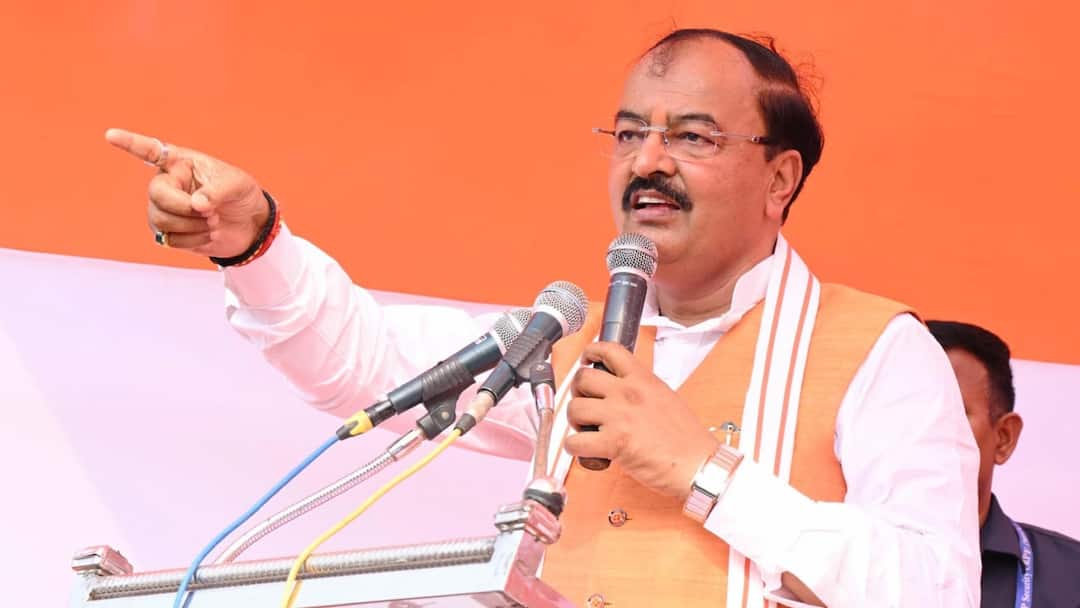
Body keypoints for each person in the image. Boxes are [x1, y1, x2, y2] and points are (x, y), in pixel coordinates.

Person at [105, 29, 980, 607]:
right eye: (629, 133)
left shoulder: (880, 351)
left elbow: (934, 588)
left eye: (692, 137)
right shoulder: (564, 341)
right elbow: (362, 365)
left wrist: (703, 471)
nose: (648, 162)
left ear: (780, 178)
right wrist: (255, 242)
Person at [928, 320, 1080, 607]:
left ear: (1004, 438)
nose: (919, 430)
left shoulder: (1072, 581)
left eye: (948, 412)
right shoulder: (838, 565)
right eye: (899, 413)